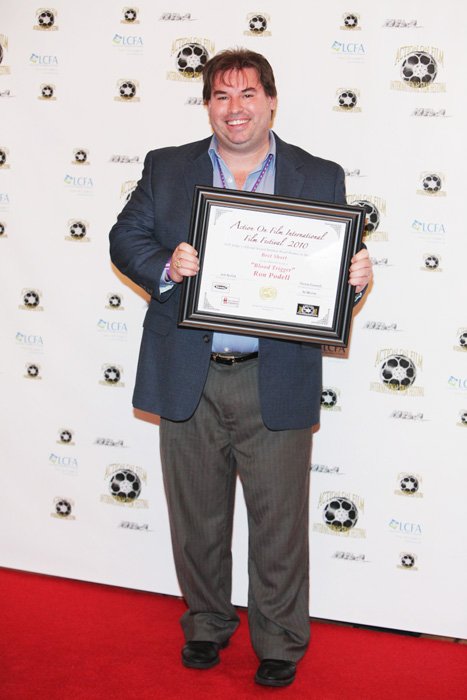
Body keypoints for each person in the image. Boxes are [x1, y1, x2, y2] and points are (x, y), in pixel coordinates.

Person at [109, 48, 372, 688]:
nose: (235, 109)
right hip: (188, 373)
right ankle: (206, 624)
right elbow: (125, 238)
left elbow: (332, 271)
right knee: (196, 518)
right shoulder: (167, 167)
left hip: (274, 373)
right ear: (207, 105)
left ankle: (279, 640)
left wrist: (355, 280)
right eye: (221, 96)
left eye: (248, 94)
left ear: (271, 101)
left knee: (279, 522)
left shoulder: (319, 174)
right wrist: (167, 266)